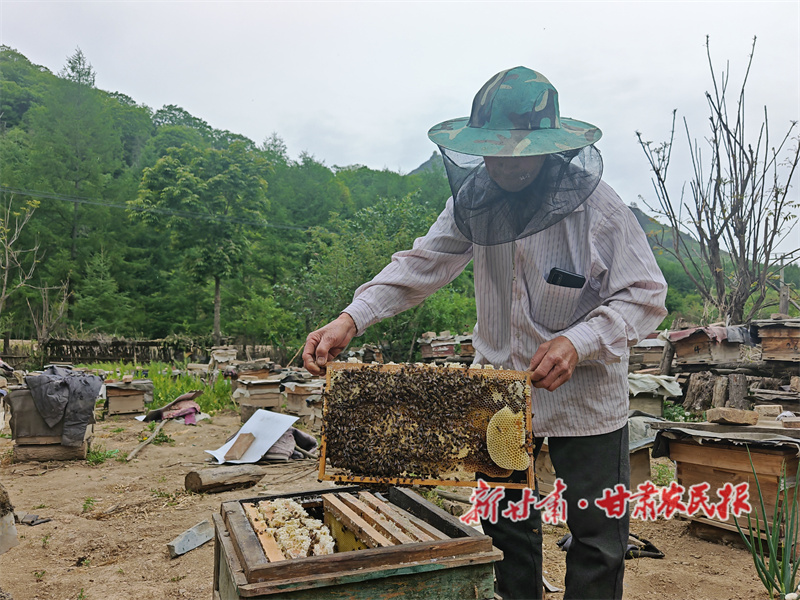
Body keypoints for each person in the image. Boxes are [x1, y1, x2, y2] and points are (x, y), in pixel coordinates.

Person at [303, 66, 667, 600]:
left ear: (548, 147)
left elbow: (645, 294)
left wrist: (579, 341)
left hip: (586, 397)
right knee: (506, 533)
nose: (504, 164)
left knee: (598, 537)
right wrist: (351, 316)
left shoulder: (598, 207)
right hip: (499, 390)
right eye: (494, 151)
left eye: (517, 152)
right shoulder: (472, 202)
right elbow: (422, 264)